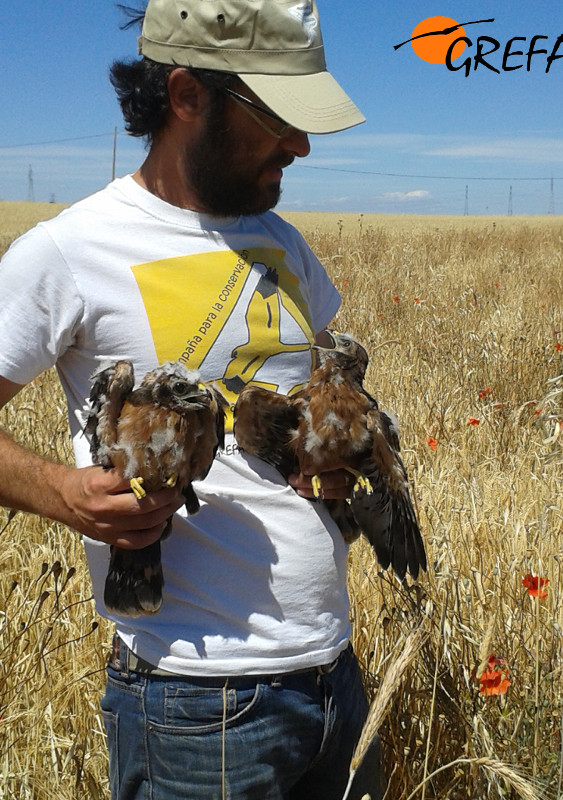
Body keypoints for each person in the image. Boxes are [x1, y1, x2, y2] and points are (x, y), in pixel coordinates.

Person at [0, 2, 383, 798]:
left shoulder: (282, 241)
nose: (301, 144)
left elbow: (319, 398)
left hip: (334, 676)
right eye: (279, 115)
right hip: (196, 705)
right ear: (186, 96)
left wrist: (335, 464)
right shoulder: (69, 251)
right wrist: (61, 492)